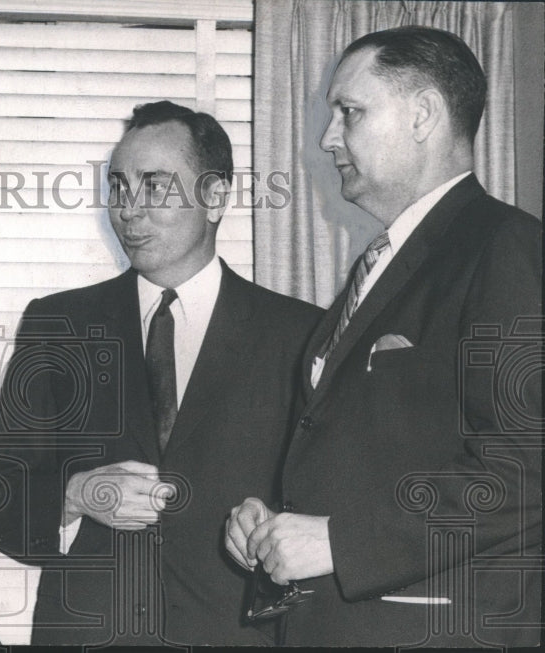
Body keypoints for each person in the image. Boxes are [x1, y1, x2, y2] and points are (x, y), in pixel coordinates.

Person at [226, 26, 542, 647]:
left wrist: (337, 542)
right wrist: (276, 524)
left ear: (423, 114)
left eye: (350, 112)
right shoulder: (381, 265)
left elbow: (526, 469)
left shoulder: (506, 249)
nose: (327, 139)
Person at [0, 101, 322, 645]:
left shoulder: (303, 334)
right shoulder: (58, 323)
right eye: (118, 187)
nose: (128, 209)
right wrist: (73, 496)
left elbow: (330, 509)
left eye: (155, 185)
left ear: (214, 197)